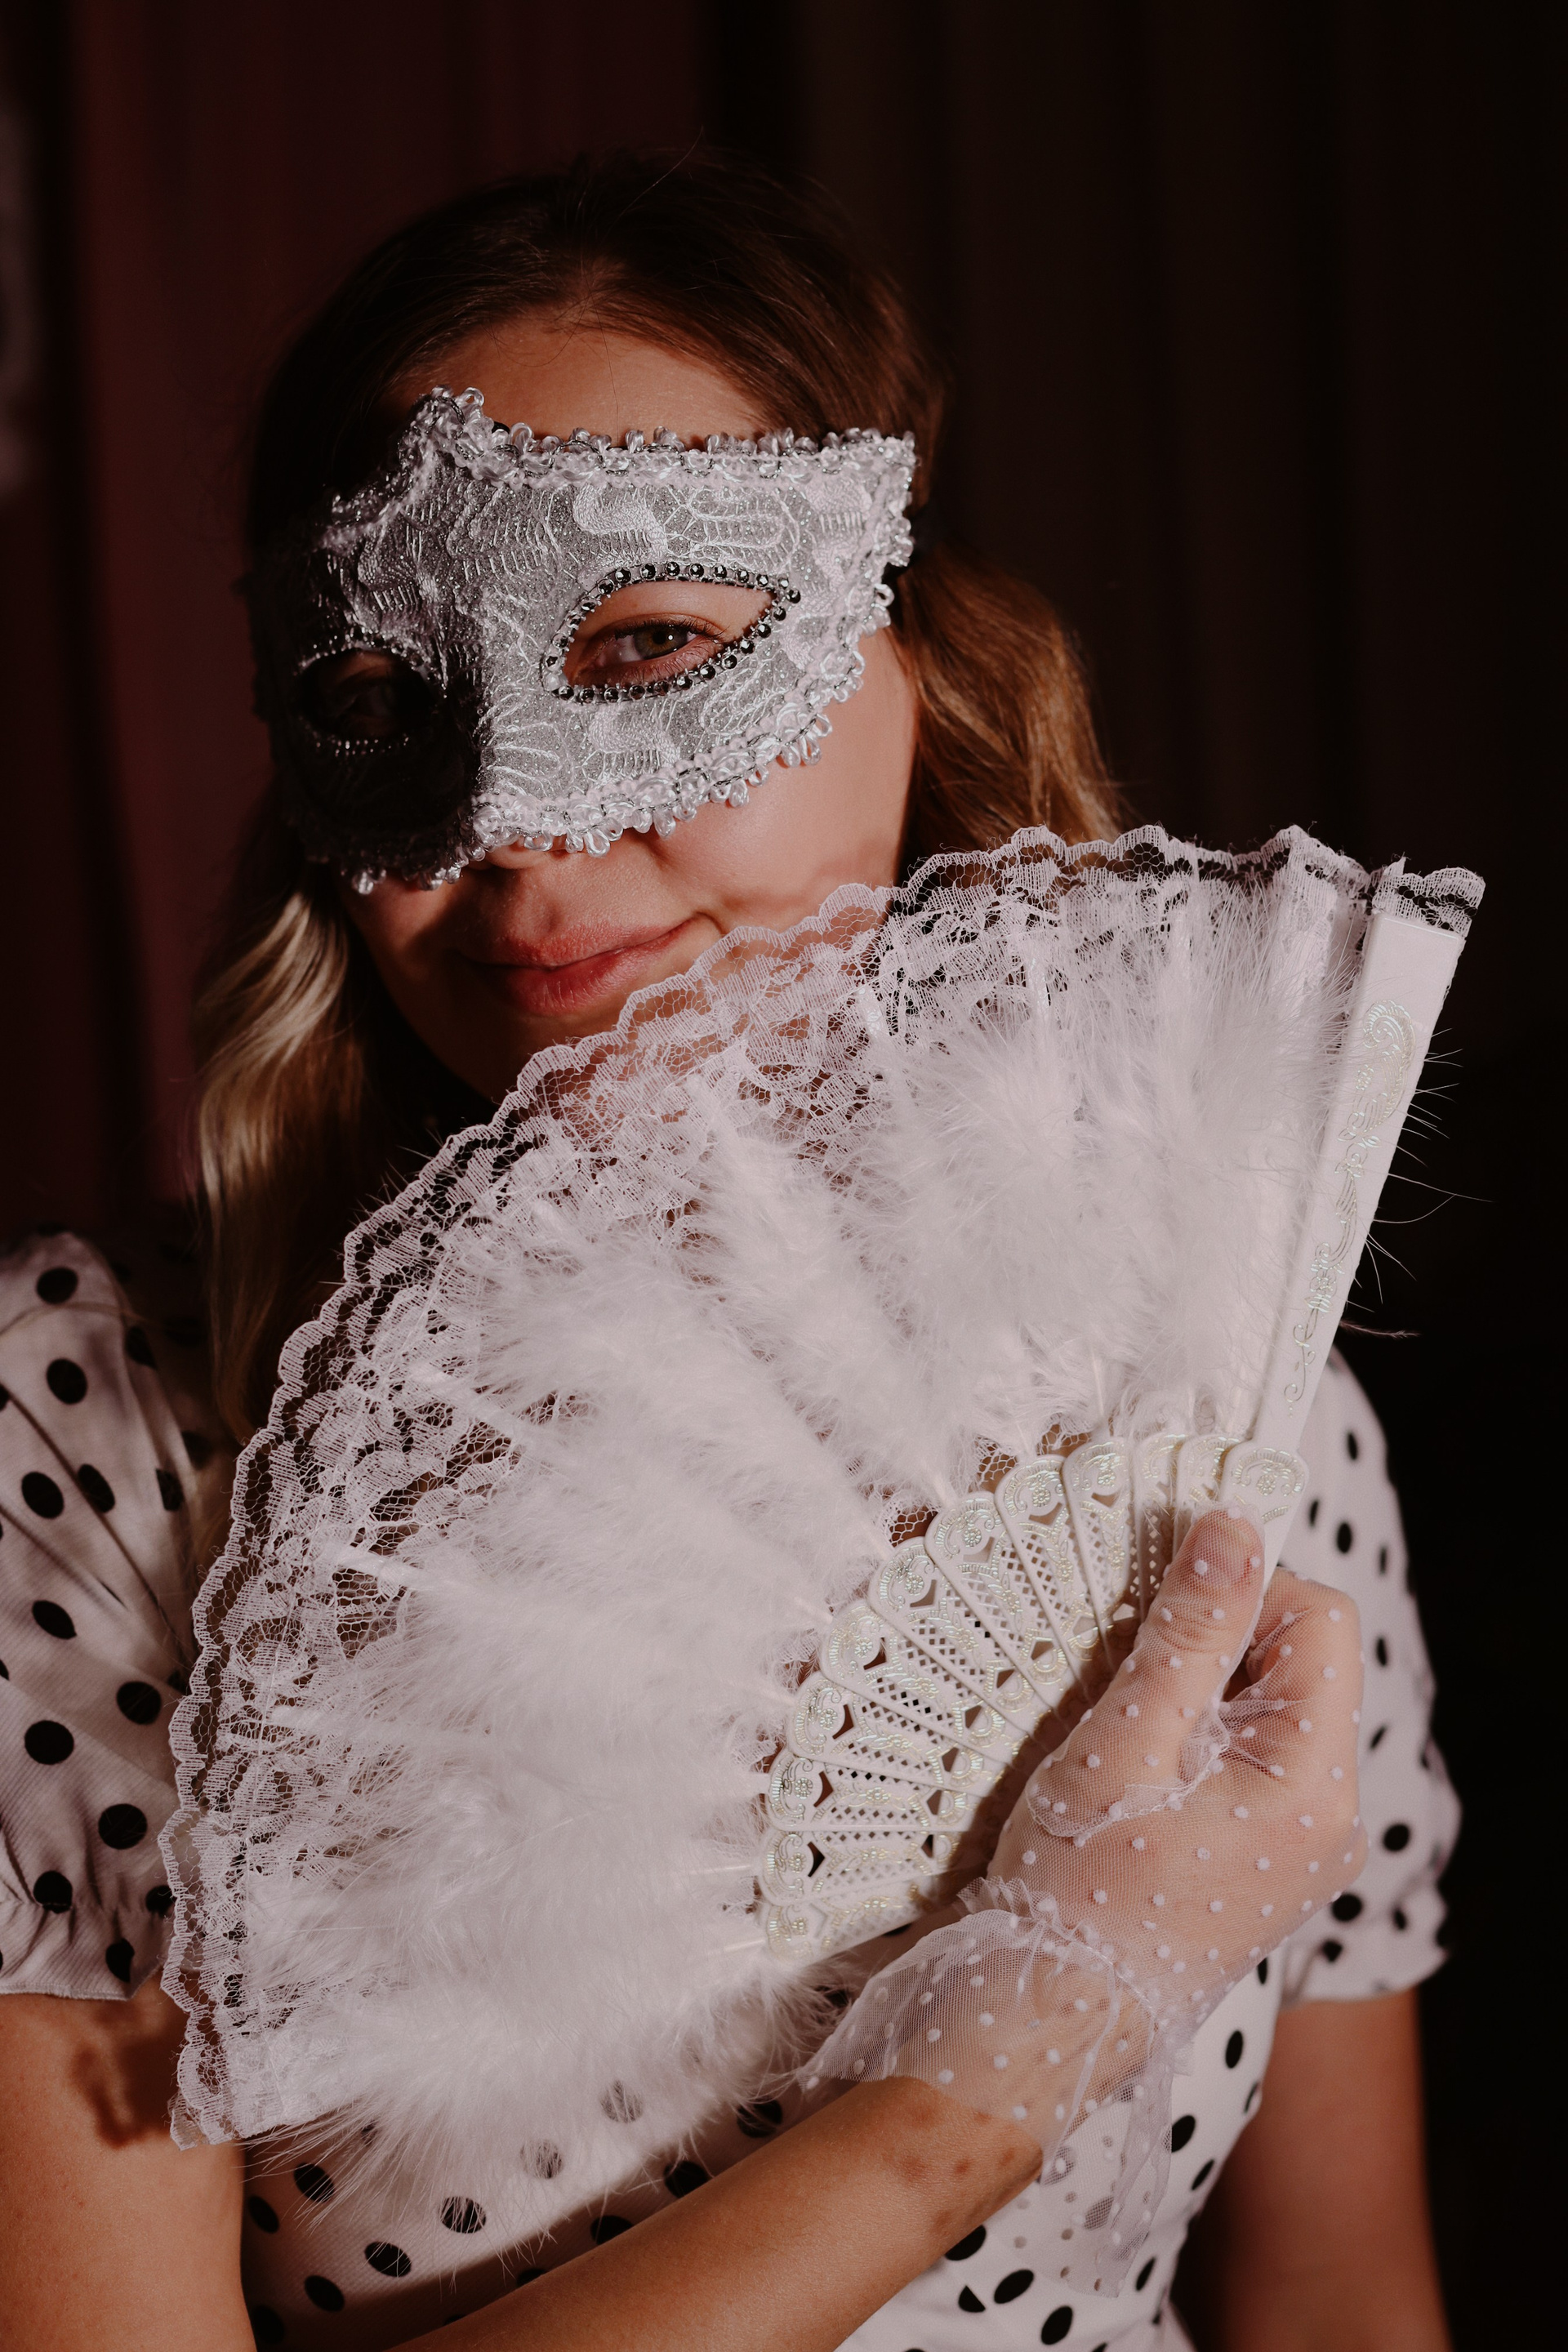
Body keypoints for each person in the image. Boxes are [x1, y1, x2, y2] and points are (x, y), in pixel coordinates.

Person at [0, 155, 1456, 2352]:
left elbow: (1342, 2298)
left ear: (922, 664)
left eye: (651, 648)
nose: (517, 830)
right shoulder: (87, 1440)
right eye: (382, 699)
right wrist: (1004, 2059)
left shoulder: (1238, 1392)